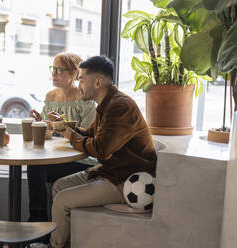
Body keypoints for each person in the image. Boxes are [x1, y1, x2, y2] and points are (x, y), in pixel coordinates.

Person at [41, 56, 157, 248]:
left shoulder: (120, 106)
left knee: (62, 200)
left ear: (97, 82)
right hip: (110, 171)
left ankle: (55, 246)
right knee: (59, 186)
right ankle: (66, 242)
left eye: (81, 79)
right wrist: (62, 127)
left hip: (125, 179)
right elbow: (90, 135)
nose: (79, 85)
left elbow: (100, 149)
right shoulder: (107, 104)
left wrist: (70, 135)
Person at [27, 53, 97, 223]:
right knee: (34, 165)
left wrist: (59, 126)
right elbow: (49, 134)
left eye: (59, 70)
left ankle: (40, 225)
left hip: (81, 160)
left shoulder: (86, 100)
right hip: (56, 157)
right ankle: (38, 221)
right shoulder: (50, 97)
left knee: (38, 168)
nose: (53, 74)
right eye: (53, 69)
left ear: (74, 73)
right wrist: (40, 124)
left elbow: (86, 136)